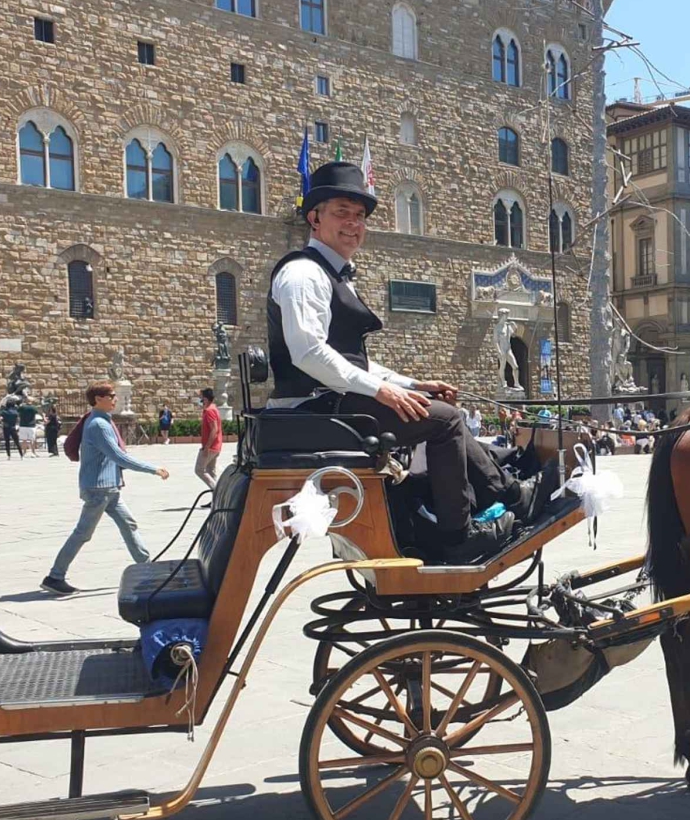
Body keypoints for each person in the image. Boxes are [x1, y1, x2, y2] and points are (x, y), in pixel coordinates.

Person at [267, 160, 548, 560]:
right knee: (446, 421)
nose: (353, 224)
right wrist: (382, 391)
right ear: (314, 217)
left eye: (360, 216)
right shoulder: (302, 275)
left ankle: (502, 494)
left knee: (441, 408)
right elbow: (308, 352)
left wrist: (411, 385)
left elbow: (351, 361)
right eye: (341, 213)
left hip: (327, 404)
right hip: (314, 411)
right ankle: (459, 533)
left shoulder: (328, 274)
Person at [42, 382, 169, 595]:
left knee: (129, 525)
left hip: (109, 489)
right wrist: (153, 469)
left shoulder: (101, 421)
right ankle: (55, 576)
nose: (115, 399)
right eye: (111, 395)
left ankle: (147, 568)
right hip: (99, 489)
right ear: (98, 399)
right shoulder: (99, 425)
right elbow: (118, 456)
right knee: (82, 533)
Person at [196, 387, 223, 490]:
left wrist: (206, 448)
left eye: (201, 398)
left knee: (199, 470)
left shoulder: (209, 411)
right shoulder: (213, 408)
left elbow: (214, 429)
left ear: (205, 399)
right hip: (216, 446)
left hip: (211, 447)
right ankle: (216, 500)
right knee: (211, 471)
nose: (200, 400)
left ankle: (217, 492)